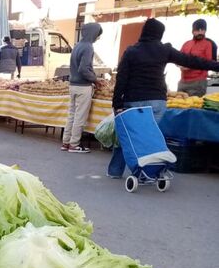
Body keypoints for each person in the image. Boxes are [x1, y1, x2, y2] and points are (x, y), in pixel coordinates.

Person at [109, 17, 219, 177]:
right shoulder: (164, 50)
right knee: (150, 137)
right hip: (157, 102)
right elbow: (191, 60)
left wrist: (117, 104)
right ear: (160, 34)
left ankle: (115, 171)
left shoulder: (131, 51)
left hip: (133, 101)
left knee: (127, 135)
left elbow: (121, 78)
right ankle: (147, 173)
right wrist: (216, 65)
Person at [61, 23, 103, 154]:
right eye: (98, 35)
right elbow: (84, 69)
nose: (98, 38)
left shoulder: (77, 45)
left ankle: (66, 142)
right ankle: (74, 145)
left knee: (71, 115)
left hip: (73, 85)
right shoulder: (88, 47)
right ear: (93, 33)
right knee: (80, 116)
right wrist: (95, 80)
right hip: (83, 86)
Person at [178, 19, 218, 97]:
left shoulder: (208, 44)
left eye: (202, 30)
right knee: (177, 103)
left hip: (198, 82)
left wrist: (191, 66)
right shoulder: (186, 44)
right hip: (182, 81)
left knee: (194, 104)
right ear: (192, 31)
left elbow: (208, 63)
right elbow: (178, 58)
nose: (200, 32)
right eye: (197, 30)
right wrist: (180, 65)